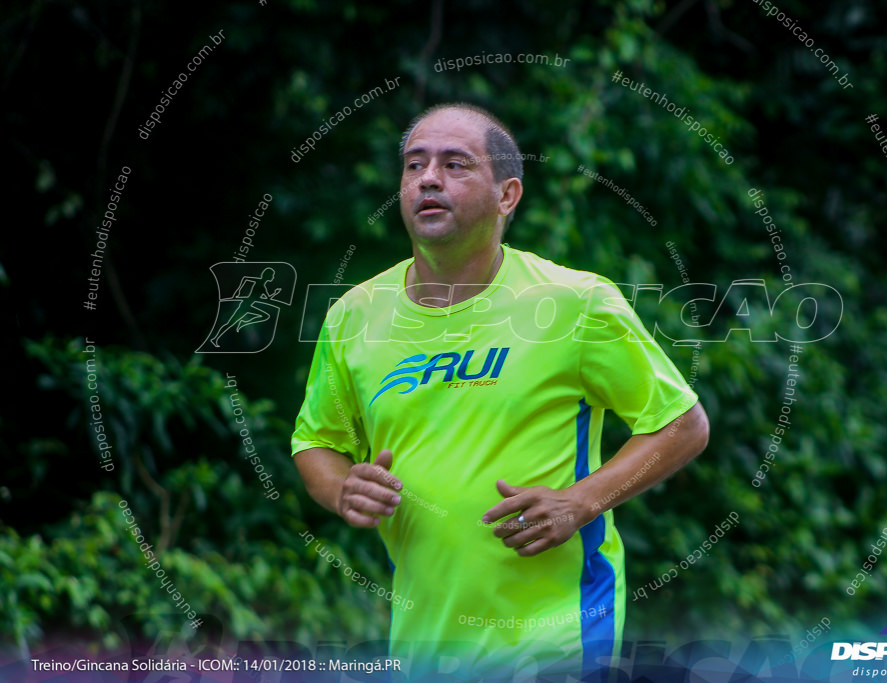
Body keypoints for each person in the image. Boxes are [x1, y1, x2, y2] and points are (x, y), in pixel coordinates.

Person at [291, 103, 709, 680]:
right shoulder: (353, 316)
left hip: (558, 639)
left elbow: (682, 425)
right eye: (415, 165)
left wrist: (580, 501)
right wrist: (341, 489)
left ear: (507, 195)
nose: (428, 178)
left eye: (455, 164)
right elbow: (316, 442)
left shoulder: (575, 304)